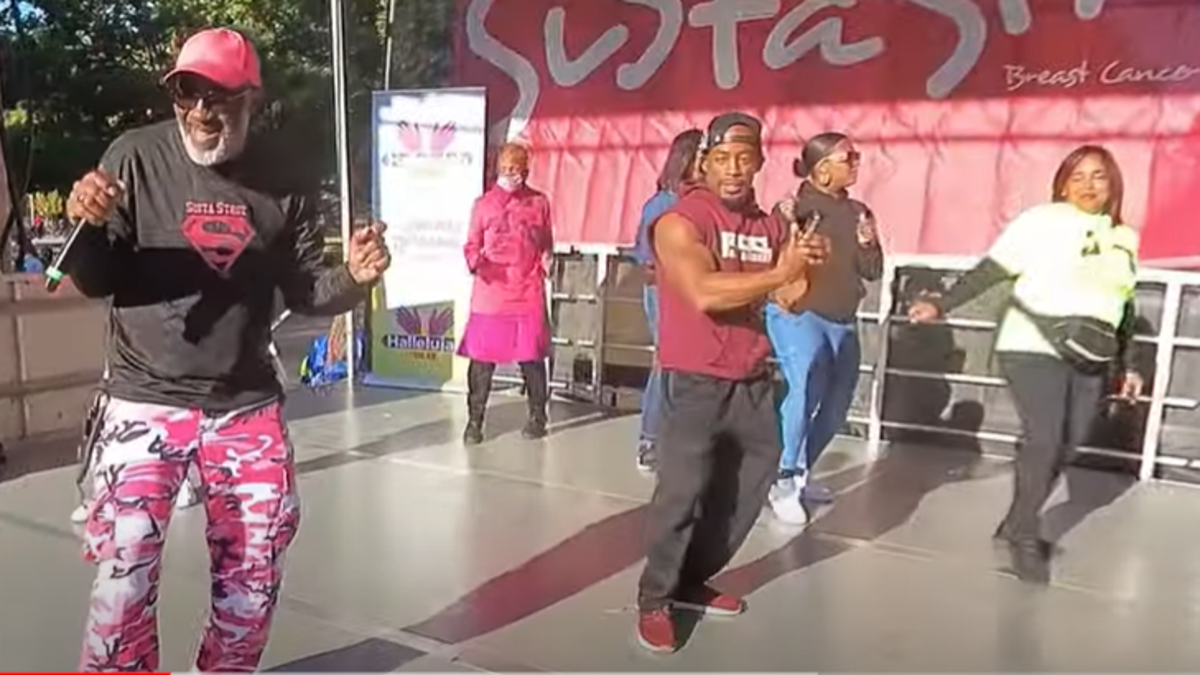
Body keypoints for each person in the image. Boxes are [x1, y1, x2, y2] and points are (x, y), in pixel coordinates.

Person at [63, 28, 390, 671]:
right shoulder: (134, 156)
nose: (201, 110)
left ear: (251, 100)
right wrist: (90, 225)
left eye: (218, 97)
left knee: (254, 583)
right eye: (186, 94)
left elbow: (306, 289)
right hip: (143, 398)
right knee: (123, 580)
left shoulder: (286, 178)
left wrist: (354, 277)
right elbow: (97, 280)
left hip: (245, 405)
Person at [635, 112, 830, 653]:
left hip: (753, 379)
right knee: (681, 494)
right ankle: (655, 598)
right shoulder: (679, 221)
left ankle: (691, 581)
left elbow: (791, 300)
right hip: (693, 380)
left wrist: (806, 265)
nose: (734, 168)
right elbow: (703, 292)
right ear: (704, 163)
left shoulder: (769, 226)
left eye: (745, 158)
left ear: (761, 162)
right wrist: (780, 272)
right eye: (722, 158)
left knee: (741, 493)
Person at [908, 144, 1143, 584]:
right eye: (1077, 177)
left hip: (1091, 352)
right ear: (1062, 186)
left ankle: (1017, 519)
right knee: (1045, 438)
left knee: (1069, 445)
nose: (1088, 185)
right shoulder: (1041, 221)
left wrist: (1129, 365)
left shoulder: (1123, 237)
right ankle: (1025, 537)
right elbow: (992, 269)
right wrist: (943, 303)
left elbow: (1123, 306)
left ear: (1113, 184)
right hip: (1032, 344)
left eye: (1098, 176)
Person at [765, 132, 883, 525]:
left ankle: (801, 471)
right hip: (800, 312)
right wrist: (783, 222)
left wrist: (868, 244)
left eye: (856, 156)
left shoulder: (859, 212)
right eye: (848, 158)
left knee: (836, 405)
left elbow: (873, 271)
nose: (856, 164)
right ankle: (782, 478)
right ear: (821, 168)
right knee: (802, 391)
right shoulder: (793, 208)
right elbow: (771, 256)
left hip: (843, 318)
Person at [459, 143, 554, 444]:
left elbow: (546, 241)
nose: (510, 173)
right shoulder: (483, 205)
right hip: (491, 293)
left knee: (532, 357)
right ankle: (474, 421)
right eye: (505, 168)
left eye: (516, 168)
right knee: (482, 360)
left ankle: (538, 416)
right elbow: (471, 245)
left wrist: (547, 259)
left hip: (527, 291)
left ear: (526, 170)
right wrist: (476, 262)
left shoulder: (539, 202)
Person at [632, 128, 703, 471]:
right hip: (664, 292)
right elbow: (646, 259)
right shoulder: (662, 204)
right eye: (703, 156)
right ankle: (650, 439)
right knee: (667, 362)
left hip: (697, 292)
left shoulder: (706, 203)